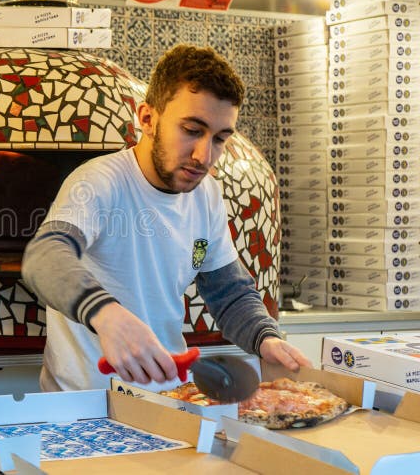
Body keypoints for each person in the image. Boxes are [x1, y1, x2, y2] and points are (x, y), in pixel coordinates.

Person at [22, 44, 311, 392]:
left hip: (169, 397)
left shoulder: (206, 196)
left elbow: (228, 292)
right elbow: (44, 257)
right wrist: (106, 315)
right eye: (191, 130)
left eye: (220, 139)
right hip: (85, 404)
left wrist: (266, 338)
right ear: (147, 118)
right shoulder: (98, 182)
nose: (204, 156)